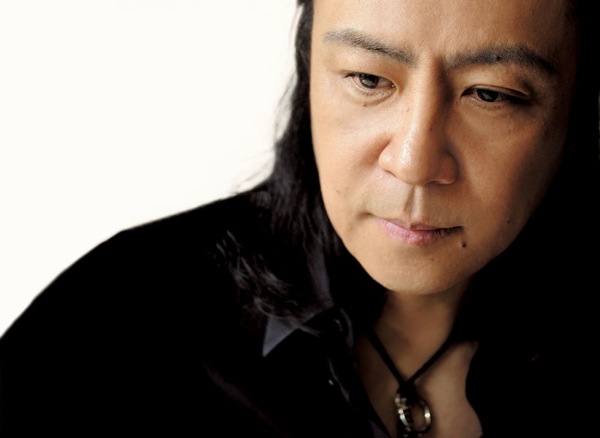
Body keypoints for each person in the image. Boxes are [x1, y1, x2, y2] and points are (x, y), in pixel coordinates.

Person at [1, 0, 599, 436]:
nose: (414, 162)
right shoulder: (112, 328)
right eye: (368, 79)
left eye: (490, 94)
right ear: (310, 70)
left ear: (576, 110)